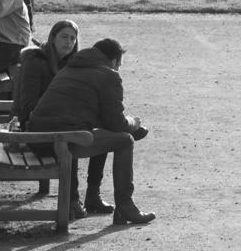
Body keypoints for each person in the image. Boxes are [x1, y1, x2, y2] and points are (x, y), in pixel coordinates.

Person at [23, 37, 154, 226]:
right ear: (115, 61)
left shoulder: (69, 68)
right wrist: (134, 123)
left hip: (37, 139)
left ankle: (93, 197)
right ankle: (125, 206)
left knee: (105, 133)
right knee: (125, 140)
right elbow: (117, 123)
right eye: (119, 65)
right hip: (61, 141)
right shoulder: (109, 75)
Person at [10, 19, 109, 208]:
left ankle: (93, 195)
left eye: (73, 38)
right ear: (52, 37)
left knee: (102, 132)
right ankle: (72, 201)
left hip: (60, 125)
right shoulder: (35, 61)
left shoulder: (72, 65)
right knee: (70, 137)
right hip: (33, 129)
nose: (69, 42)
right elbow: (28, 106)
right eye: (64, 37)